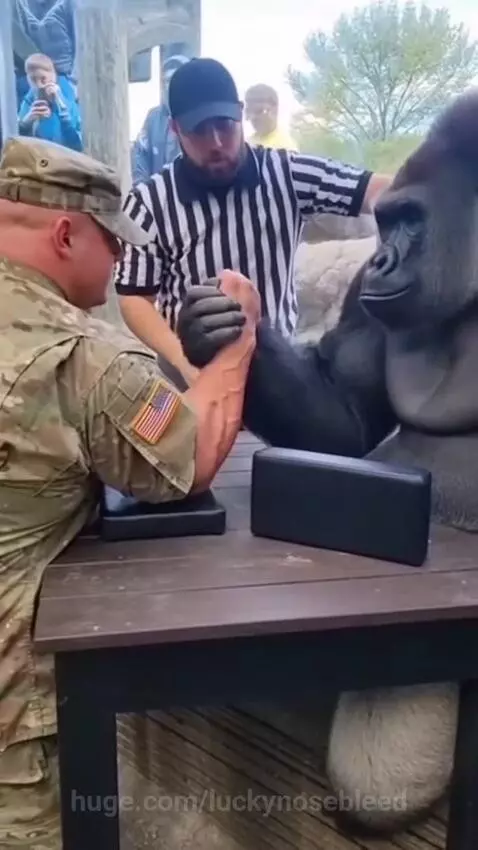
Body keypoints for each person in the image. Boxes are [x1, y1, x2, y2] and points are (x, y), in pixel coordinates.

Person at [0, 135, 259, 846]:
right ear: (63, 232)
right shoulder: (82, 358)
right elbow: (188, 455)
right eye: (110, 242)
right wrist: (238, 340)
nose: (119, 260)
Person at [114, 57, 391, 387]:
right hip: (189, 372)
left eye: (225, 125)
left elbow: (380, 190)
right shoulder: (149, 202)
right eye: (200, 130)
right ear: (175, 129)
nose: (216, 143)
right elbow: (134, 298)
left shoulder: (287, 173)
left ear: (240, 112)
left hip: (277, 371)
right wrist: (184, 364)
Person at [131, 54, 190, 184]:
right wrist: (143, 189)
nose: (169, 85)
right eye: (166, 80)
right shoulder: (153, 117)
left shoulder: (196, 117)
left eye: (174, 79)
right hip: (155, 197)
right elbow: (139, 154)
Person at [18, 52, 82, 150]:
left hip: (67, 153)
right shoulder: (29, 99)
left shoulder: (68, 92)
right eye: (33, 80)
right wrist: (27, 122)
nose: (39, 85)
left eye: (43, 79)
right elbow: (18, 139)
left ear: (53, 75)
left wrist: (60, 104)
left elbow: (77, 140)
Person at [245, 83, 296, 149]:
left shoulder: (285, 148)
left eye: (258, 111)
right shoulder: (248, 143)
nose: (253, 117)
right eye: (249, 111)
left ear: (274, 110)